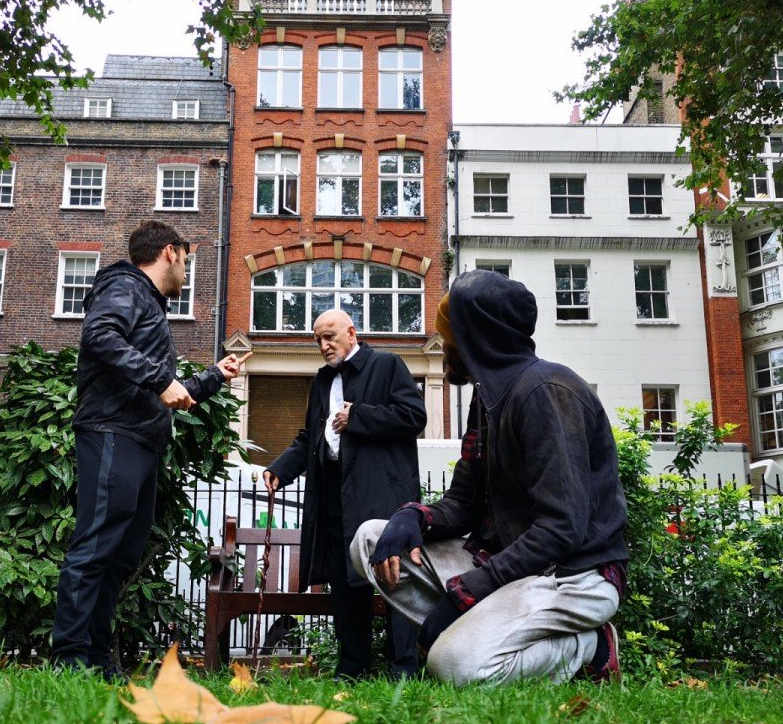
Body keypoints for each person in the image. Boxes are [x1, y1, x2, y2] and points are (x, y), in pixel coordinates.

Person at [350, 270, 629, 686]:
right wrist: (415, 517)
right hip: (510, 566)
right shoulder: (487, 399)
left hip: (572, 575)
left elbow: (561, 529)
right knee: (371, 540)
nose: (444, 345)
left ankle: (590, 647)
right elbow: (463, 504)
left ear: (476, 337)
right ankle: (483, 633)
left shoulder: (545, 392)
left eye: (451, 336)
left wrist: (466, 593)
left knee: (456, 666)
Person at [52, 221, 247, 678]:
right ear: (170, 252)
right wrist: (161, 380)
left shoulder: (147, 304)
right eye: (187, 260)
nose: (186, 271)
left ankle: (94, 661)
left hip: (139, 440)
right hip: (112, 431)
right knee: (95, 547)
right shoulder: (125, 286)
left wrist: (214, 377)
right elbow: (100, 336)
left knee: (119, 554)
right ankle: (69, 661)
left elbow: (168, 391)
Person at [263, 310, 427, 679]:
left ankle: (404, 670)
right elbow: (311, 437)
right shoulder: (323, 380)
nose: (323, 345)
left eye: (330, 337)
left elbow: (414, 416)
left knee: (395, 578)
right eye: (318, 340)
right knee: (345, 584)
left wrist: (359, 417)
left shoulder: (387, 365)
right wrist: (281, 469)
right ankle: (352, 669)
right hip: (334, 494)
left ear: (351, 333)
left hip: (382, 494)